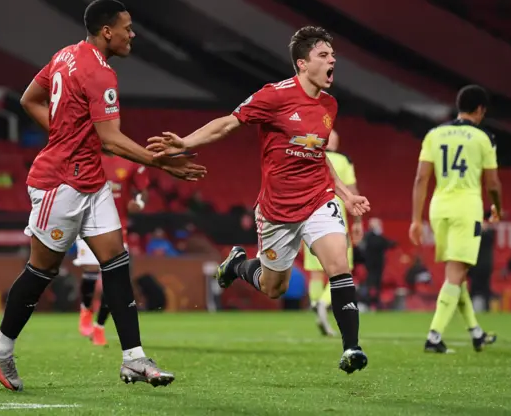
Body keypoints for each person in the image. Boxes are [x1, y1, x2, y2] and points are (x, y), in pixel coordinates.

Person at [0, 0, 206, 391]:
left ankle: (133, 358)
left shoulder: (65, 55)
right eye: (127, 27)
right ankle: (0, 345)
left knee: (116, 261)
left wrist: (65, 131)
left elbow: (29, 99)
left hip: (90, 180)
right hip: (59, 183)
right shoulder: (101, 75)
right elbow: (112, 140)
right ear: (107, 31)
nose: (132, 34)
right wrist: (162, 163)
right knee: (42, 271)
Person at [148, 26, 371, 374]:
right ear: (302, 63)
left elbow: (318, 152)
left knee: (339, 265)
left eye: (333, 55)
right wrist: (185, 143)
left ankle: (351, 348)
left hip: (317, 199)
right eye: (324, 56)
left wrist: (344, 192)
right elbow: (227, 124)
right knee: (273, 287)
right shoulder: (274, 96)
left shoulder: (330, 105)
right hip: (278, 210)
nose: (332, 61)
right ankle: (237, 264)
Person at [409, 85, 501, 354]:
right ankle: (434, 336)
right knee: (456, 273)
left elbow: (420, 178)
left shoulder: (434, 134)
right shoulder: (484, 137)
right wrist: (497, 207)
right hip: (466, 209)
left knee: (456, 273)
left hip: (439, 208)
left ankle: (476, 333)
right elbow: (493, 182)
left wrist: (416, 219)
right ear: (481, 109)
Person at [76, 152, 150, 346]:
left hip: (117, 226)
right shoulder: (87, 157)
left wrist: (139, 203)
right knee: (91, 271)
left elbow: (143, 190)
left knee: (115, 279)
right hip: (87, 222)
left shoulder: (129, 162)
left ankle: (99, 327)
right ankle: (86, 309)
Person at [302, 129, 363, 336]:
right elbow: (352, 191)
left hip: (308, 216)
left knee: (316, 272)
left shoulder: (308, 156)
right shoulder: (343, 161)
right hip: (335, 220)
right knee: (344, 269)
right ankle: (322, 303)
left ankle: (314, 302)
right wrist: (357, 220)